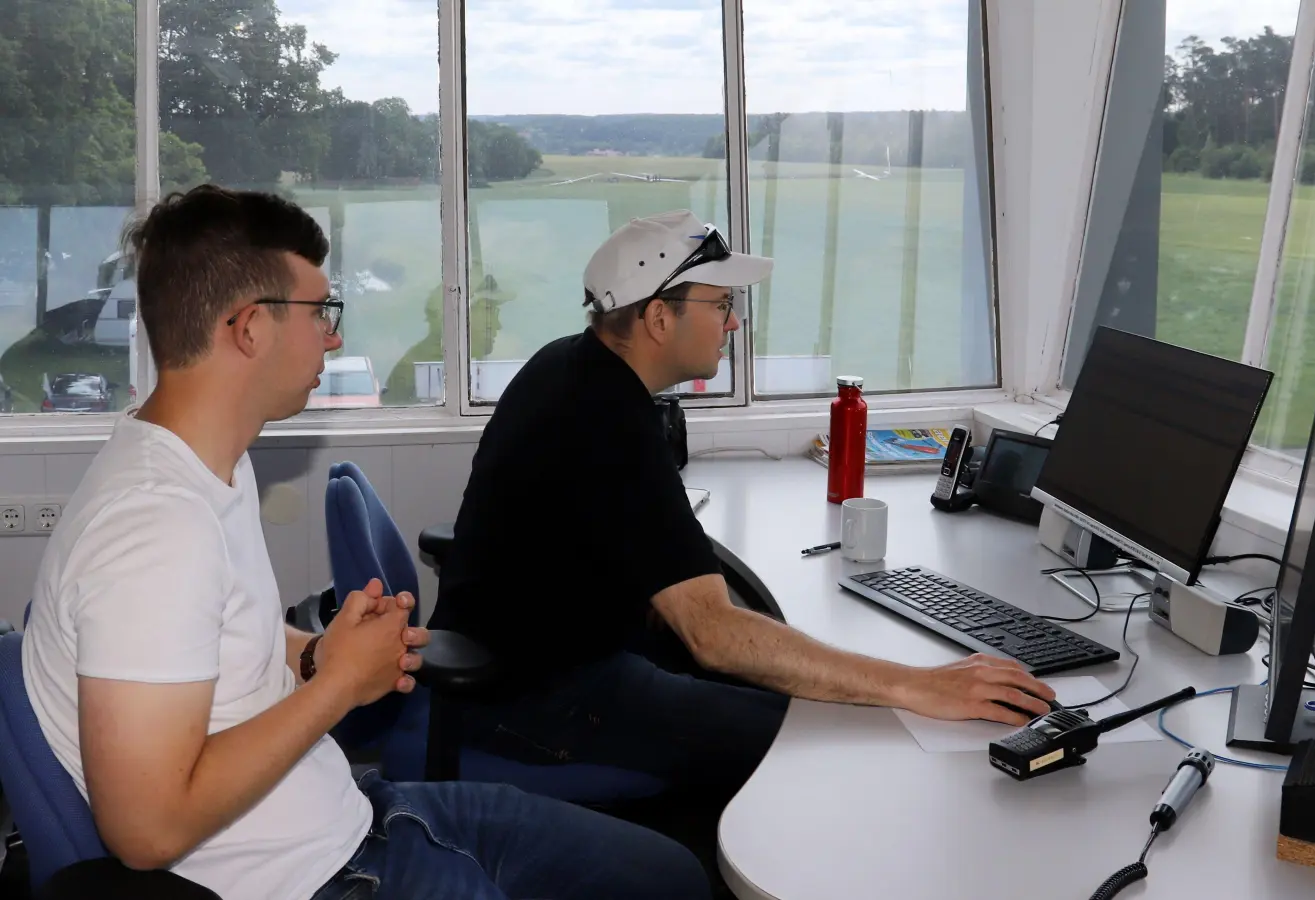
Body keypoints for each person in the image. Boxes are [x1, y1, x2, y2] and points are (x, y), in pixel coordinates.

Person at [21, 186, 710, 900]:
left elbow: (219, 647)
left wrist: (319, 653)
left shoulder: (202, 465)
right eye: (320, 311)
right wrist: (342, 684)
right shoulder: (153, 530)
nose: (335, 336)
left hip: (360, 817)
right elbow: (147, 831)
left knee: (670, 876)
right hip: (322, 879)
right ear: (250, 328)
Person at [431, 209, 1058, 851]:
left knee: (807, 700)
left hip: (552, 660)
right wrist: (919, 684)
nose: (733, 322)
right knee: (827, 739)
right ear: (657, 318)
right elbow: (714, 635)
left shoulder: (574, 370)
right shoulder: (606, 420)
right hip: (539, 699)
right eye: (722, 304)